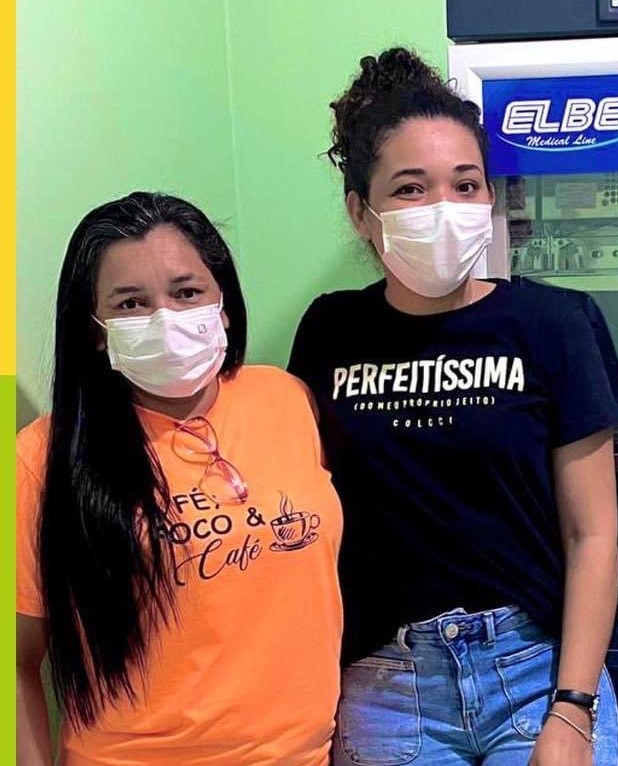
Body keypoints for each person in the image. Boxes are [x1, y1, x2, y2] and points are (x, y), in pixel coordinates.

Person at [286, 48, 618, 766]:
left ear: (489, 198)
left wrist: (573, 707)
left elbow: (593, 534)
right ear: (360, 212)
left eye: (465, 185)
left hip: (537, 670)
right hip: (386, 683)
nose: (444, 208)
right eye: (410, 189)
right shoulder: (330, 331)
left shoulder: (554, 324)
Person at [15, 192, 343, 765]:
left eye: (186, 292)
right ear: (95, 329)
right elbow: (15, 661)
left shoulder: (287, 399)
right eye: (130, 303)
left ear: (224, 304)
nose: (164, 318)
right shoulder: (42, 457)